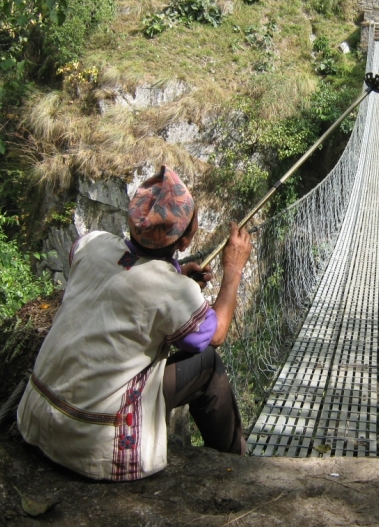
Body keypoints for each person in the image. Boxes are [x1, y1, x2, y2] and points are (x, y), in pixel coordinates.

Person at [17, 165, 252, 481]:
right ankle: (236, 467)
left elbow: (122, 279)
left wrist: (177, 274)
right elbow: (216, 334)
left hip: (36, 419)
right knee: (207, 363)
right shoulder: (171, 291)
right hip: (94, 444)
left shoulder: (90, 244)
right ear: (183, 242)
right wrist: (233, 269)